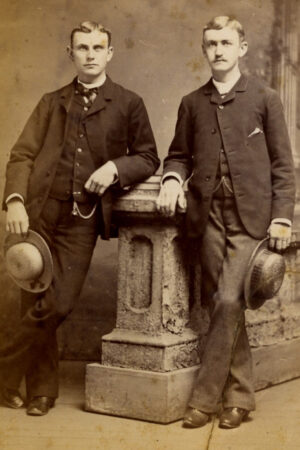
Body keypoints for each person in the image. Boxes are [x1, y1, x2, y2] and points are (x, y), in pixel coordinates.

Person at [0, 21, 159, 416]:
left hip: (81, 219)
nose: (90, 54)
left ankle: (3, 370)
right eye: (82, 47)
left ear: (109, 54)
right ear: (71, 54)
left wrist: (114, 169)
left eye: (97, 47)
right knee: (33, 299)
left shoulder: (128, 102)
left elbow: (148, 157)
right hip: (39, 215)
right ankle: (41, 391)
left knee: (56, 303)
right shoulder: (50, 102)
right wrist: (15, 200)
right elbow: (21, 155)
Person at [156, 16, 295, 429]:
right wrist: (171, 178)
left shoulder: (266, 98)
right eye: (211, 43)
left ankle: (204, 399)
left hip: (252, 218)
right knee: (224, 306)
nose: (218, 50)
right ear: (204, 51)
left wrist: (283, 216)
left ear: (242, 48)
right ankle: (240, 398)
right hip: (207, 217)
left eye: (226, 42)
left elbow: (283, 166)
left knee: (230, 302)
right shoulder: (191, 102)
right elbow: (178, 153)